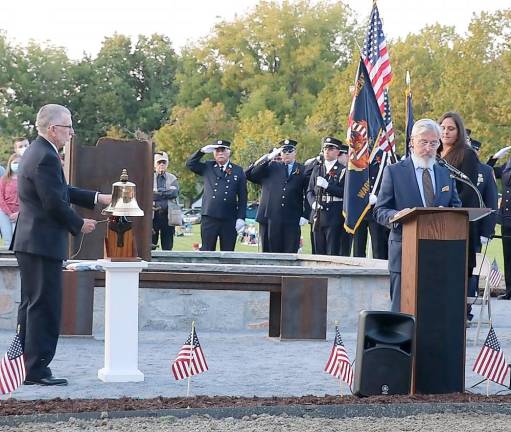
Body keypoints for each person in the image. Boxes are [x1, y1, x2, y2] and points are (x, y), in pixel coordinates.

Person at [12, 104, 111, 386]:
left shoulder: (37, 152)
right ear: (53, 129)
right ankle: (37, 370)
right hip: (41, 242)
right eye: (68, 127)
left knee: (32, 304)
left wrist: (96, 198)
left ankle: (25, 364)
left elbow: (60, 191)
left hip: (32, 241)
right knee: (44, 306)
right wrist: (79, 225)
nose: (72, 132)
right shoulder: (46, 157)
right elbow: (53, 202)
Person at [374, 119, 461, 312]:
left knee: (434, 310)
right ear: (412, 142)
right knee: (402, 309)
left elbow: (456, 208)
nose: (428, 148)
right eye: (423, 142)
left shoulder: (445, 174)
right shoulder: (395, 172)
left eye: (433, 143)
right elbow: (380, 210)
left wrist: (446, 215)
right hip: (405, 251)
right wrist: (397, 215)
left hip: (439, 253)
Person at [245, 139, 308, 253]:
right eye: (284, 151)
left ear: (295, 152)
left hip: (292, 217)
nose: (287, 153)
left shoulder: (302, 169)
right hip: (271, 217)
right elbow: (251, 174)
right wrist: (268, 158)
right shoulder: (271, 167)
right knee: (271, 252)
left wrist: (305, 214)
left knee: (290, 252)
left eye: (290, 150)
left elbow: (308, 191)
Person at [438, 112, 480, 280]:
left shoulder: (467, 154)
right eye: (442, 128)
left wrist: (450, 210)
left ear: (459, 132)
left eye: (451, 128)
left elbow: (469, 191)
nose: (445, 132)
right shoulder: (434, 154)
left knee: (458, 276)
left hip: (458, 221)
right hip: (434, 221)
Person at [186, 140, 247, 251]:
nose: (220, 153)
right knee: (207, 251)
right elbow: (190, 164)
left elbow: (243, 198)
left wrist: (241, 218)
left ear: (229, 152)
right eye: (217, 150)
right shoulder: (208, 166)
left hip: (229, 218)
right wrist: (202, 151)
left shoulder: (238, 171)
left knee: (228, 252)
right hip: (209, 216)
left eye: (223, 150)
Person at [306, 137, 349, 255]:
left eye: (330, 148)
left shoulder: (343, 170)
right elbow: (309, 191)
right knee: (317, 252)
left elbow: (344, 193)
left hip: (333, 215)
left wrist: (327, 186)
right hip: (318, 214)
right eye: (325, 148)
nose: (327, 151)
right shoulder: (317, 169)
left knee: (332, 252)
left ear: (338, 152)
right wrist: (313, 203)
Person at [466, 139, 498, 298]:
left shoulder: (485, 171)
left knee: (472, 271)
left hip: (475, 230)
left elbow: (491, 202)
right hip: (451, 228)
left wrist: (487, 231)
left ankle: (468, 306)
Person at [152, 151, 179, 251]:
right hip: (153, 217)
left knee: (168, 245)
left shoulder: (172, 178)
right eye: (159, 162)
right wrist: (166, 192)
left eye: (164, 162)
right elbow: (149, 195)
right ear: (155, 164)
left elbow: (174, 193)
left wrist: (158, 192)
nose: (162, 165)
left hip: (168, 216)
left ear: (167, 164)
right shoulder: (149, 178)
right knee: (151, 244)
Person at [0, 153, 21, 247]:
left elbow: (27, 198)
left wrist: (18, 213)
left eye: (19, 163)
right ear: (10, 163)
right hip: (4, 212)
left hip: (19, 213)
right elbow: (1, 197)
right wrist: (9, 213)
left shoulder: (25, 180)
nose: (17, 165)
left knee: (17, 238)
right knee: (8, 238)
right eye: (15, 162)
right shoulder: (4, 179)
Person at [498, 156, 511, 299]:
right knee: (507, 257)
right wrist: (495, 157)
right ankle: (509, 291)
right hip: (506, 219)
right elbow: (488, 170)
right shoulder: (506, 165)